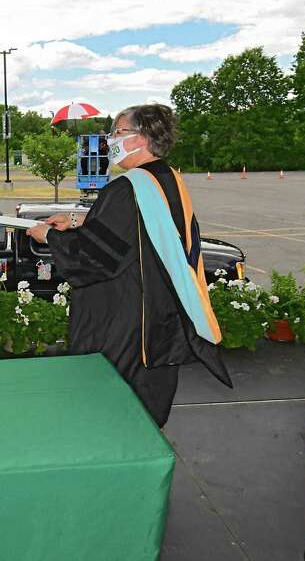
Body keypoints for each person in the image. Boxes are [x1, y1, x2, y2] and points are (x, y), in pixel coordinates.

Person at [27, 104, 232, 427]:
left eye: (118, 132)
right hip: (162, 317)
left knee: (118, 415)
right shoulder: (167, 178)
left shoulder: (127, 188)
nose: (111, 140)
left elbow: (94, 259)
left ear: (141, 139)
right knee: (149, 412)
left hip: (129, 321)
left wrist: (49, 236)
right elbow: (142, 231)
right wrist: (81, 221)